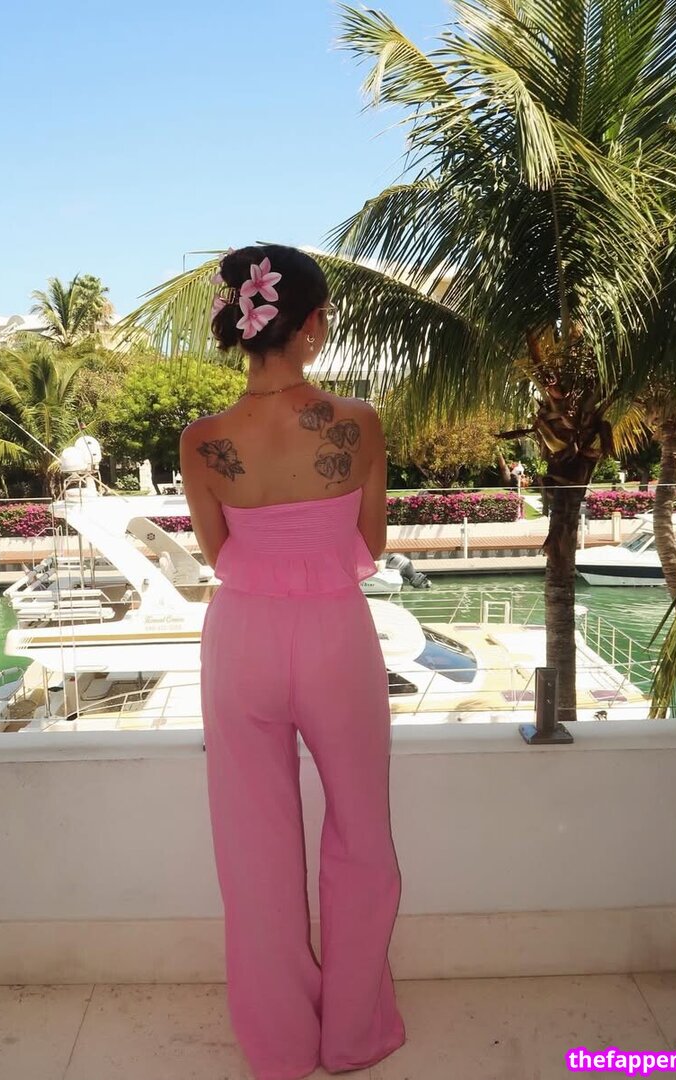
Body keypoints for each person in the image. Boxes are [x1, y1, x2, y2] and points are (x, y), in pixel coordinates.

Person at [179, 244, 406, 1080]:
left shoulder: (201, 440)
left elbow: (217, 553)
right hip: (334, 635)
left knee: (253, 847)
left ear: (241, 325)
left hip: (241, 638)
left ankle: (278, 1046)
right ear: (312, 324)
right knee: (361, 834)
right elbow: (370, 543)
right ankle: (350, 1036)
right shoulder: (359, 422)